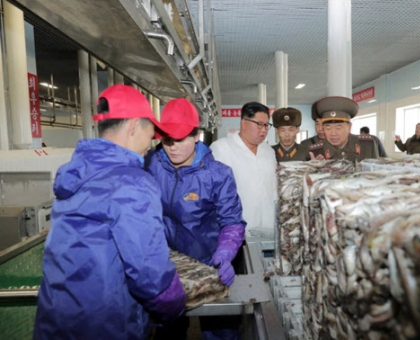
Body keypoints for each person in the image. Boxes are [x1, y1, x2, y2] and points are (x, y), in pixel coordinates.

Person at [33, 85, 186, 340]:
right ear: (134, 126)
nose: (152, 143)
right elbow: (149, 274)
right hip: (105, 324)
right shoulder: (131, 182)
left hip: (56, 319)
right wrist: (175, 305)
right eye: (152, 133)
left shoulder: (76, 173)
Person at [145, 98, 246, 340]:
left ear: (196, 136)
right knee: (167, 331)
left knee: (220, 330)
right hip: (165, 266)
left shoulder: (218, 175)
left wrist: (225, 253)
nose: (172, 147)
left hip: (207, 264)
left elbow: (231, 221)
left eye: (180, 139)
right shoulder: (149, 165)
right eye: (167, 140)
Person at [210, 102, 277, 237]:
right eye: (259, 124)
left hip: (270, 230)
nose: (263, 130)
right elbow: (215, 194)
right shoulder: (221, 149)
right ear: (243, 122)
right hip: (237, 232)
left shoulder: (269, 151)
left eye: (266, 125)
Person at [309, 96, 378, 162]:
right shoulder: (316, 151)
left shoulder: (367, 145)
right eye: (328, 128)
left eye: (338, 127)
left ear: (349, 127)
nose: (333, 133)